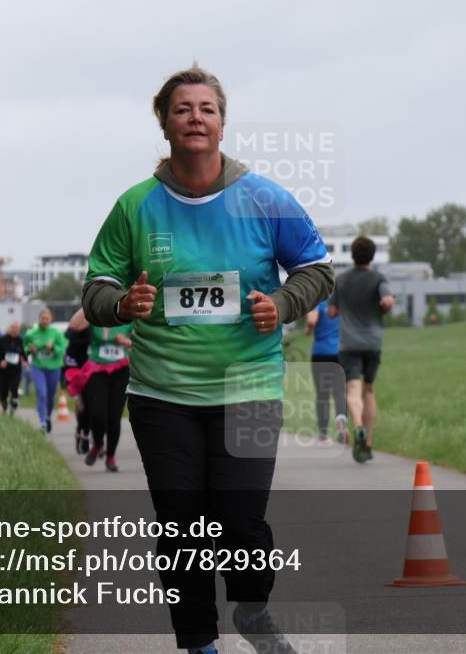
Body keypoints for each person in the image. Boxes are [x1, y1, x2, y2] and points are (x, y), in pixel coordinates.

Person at [81, 65, 333, 654]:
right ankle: (197, 642)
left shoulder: (265, 198)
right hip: (162, 395)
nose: (195, 117)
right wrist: (124, 302)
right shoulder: (135, 206)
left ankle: (252, 610)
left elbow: (317, 270)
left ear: (222, 123)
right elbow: (94, 293)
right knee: (184, 530)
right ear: (164, 124)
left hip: (249, 385)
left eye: (207, 109)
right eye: (182, 108)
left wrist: (282, 302)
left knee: (240, 520)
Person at [327, 236, 395, 463]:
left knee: (353, 391)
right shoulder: (379, 278)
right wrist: (384, 305)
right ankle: (368, 443)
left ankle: (357, 426)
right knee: (369, 391)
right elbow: (387, 301)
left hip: (349, 344)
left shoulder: (341, 280)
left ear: (352, 255)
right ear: (372, 255)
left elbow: (332, 313)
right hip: (373, 343)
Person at [81, 320, 132, 472]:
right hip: (97, 370)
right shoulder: (95, 316)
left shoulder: (128, 319)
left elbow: (142, 344)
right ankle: (97, 444)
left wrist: (125, 341)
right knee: (97, 413)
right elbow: (74, 326)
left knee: (114, 416)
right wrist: (88, 301)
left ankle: (110, 456)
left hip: (121, 371)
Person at [304, 300, 348, 446]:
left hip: (321, 353)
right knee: (339, 392)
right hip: (340, 352)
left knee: (322, 394)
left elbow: (312, 319)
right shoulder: (341, 302)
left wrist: (308, 328)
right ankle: (342, 427)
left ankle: (323, 435)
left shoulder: (318, 301)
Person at [23, 308, 67, 432]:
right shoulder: (31, 333)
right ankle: (42, 421)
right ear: (39, 319)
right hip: (38, 367)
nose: (45, 321)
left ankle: (47, 416)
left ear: (51, 319)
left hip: (54, 367)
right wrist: (29, 349)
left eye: (47, 319)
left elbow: (63, 347)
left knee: (51, 395)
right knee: (42, 394)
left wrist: (53, 347)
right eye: (43, 318)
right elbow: (24, 347)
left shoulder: (56, 333)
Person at [62, 311, 93, 455]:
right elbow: (69, 335)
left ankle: (86, 434)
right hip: (75, 368)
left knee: (93, 406)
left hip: (93, 367)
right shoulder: (79, 318)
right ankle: (81, 431)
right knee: (83, 406)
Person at [0, 321, 28, 415]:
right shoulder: (2, 340)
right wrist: (0, 361)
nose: (15, 330)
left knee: (14, 387)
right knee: (3, 390)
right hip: (3, 370)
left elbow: (24, 353)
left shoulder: (21, 340)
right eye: (13, 328)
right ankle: (4, 406)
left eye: (17, 328)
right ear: (10, 329)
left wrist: (25, 361)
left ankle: (14, 402)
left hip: (15, 369)